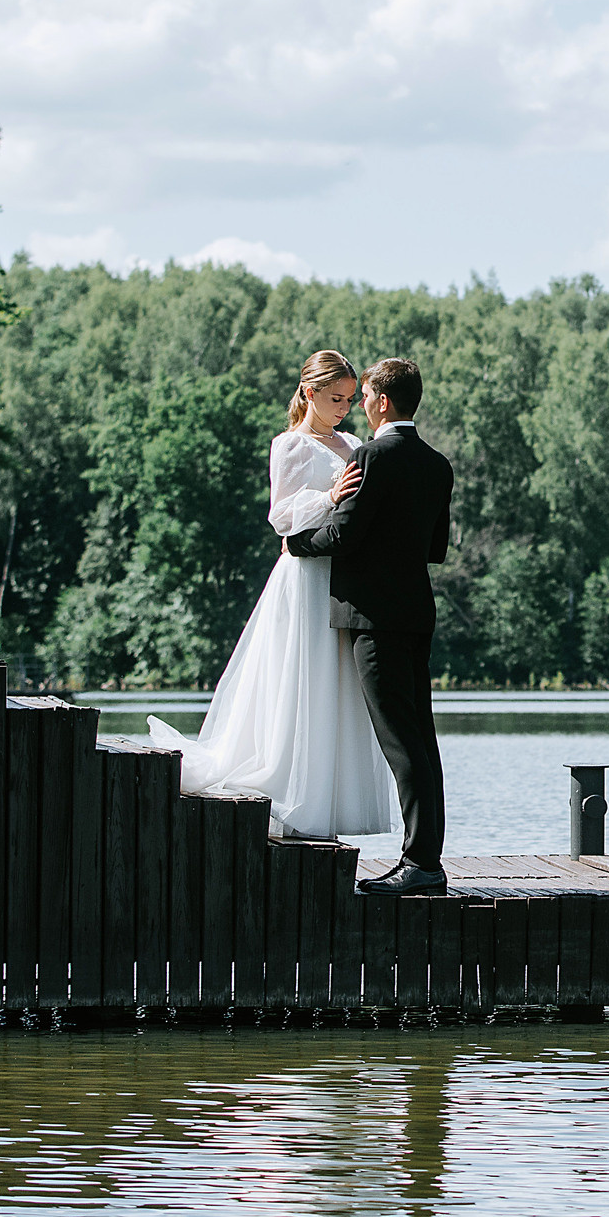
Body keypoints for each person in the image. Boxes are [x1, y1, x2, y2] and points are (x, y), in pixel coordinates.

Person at [145, 351, 396, 840]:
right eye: (334, 398)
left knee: (337, 684)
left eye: (349, 399)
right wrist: (329, 497)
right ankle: (290, 793)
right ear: (309, 393)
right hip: (305, 576)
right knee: (300, 677)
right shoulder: (290, 446)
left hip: (343, 575)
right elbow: (280, 517)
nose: (344, 407)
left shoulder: (350, 443)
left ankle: (328, 802)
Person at [290, 356, 455, 895]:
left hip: (374, 619)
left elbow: (343, 536)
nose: (358, 403)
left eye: (363, 396)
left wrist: (297, 543)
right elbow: (434, 549)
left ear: (383, 402)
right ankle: (425, 858)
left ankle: (421, 865)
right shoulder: (437, 464)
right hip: (415, 613)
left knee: (399, 741)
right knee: (420, 738)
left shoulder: (372, 456)